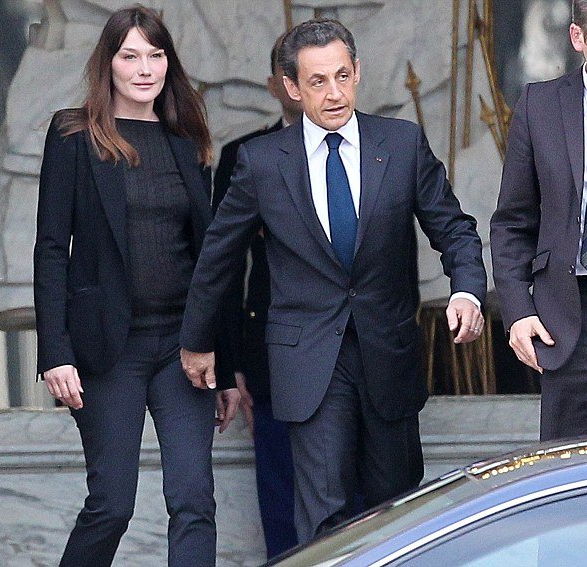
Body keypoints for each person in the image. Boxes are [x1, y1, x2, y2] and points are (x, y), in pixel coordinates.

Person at [180, 18, 487, 543]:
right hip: (309, 361)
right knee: (325, 518)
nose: (335, 93)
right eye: (318, 81)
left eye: (343, 76)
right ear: (292, 87)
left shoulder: (401, 143)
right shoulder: (261, 162)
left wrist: (466, 290)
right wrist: (198, 341)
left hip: (387, 353)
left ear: (358, 72)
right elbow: (218, 257)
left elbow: (454, 229)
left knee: (398, 512)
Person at [33, 6, 239, 566]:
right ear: (109, 63)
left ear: (169, 63)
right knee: (112, 504)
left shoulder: (186, 139)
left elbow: (209, 260)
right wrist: (55, 352)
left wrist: (225, 362)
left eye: (155, 55)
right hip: (108, 348)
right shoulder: (73, 134)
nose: (144, 68)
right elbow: (51, 249)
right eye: (130, 56)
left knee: (194, 500)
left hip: (183, 349)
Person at [490, 0, 587, 441]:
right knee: (565, 470)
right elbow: (512, 223)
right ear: (578, 38)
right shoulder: (540, 105)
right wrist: (518, 311)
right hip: (570, 320)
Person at [212, 36, 301, 558]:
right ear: (274, 86)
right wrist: (231, 363)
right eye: (292, 75)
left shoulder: (380, 148)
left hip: (360, 357)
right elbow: (223, 267)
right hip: (271, 354)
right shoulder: (243, 157)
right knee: (282, 503)